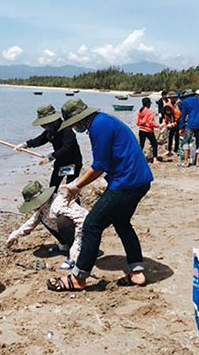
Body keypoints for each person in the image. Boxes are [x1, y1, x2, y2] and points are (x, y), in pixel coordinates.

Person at [46, 98, 153, 292]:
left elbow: (99, 166)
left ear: (78, 119)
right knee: (122, 223)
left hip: (126, 183)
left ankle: (78, 278)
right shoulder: (103, 121)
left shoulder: (98, 126)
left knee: (91, 225)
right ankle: (137, 271)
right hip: (139, 180)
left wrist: (75, 186)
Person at [6, 181, 88, 270]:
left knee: (62, 221)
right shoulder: (43, 207)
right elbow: (32, 221)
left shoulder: (58, 205)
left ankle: (78, 255)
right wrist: (16, 234)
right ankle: (64, 246)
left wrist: (77, 247)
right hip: (74, 230)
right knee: (43, 218)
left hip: (84, 232)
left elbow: (82, 221)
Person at [15, 104, 82, 188]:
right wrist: (25, 144)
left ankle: (74, 200)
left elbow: (67, 147)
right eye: (43, 125)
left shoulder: (66, 129)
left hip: (73, 163)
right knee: (53, 187)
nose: (44, 127)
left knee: (70, 187)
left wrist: (52, 156)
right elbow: (41, 139)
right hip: (61, 163)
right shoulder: (51, 130)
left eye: (45, 124)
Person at [178, 89, 199, 167]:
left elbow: (183, 115)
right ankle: (197, 162)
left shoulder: (185, 102)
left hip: (191, 124)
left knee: (185, 141)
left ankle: (186, 162)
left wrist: (181, 127)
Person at [136, 97, 161, 163]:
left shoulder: (140, 111)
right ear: (148, 104)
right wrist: (158, 126)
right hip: (148, 130)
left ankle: (138, 158)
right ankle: (155, 159)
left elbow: (137, 123)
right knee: (154, 144)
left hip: (141, 130)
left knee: (141, 145)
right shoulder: (149, 112)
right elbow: (151, 122)